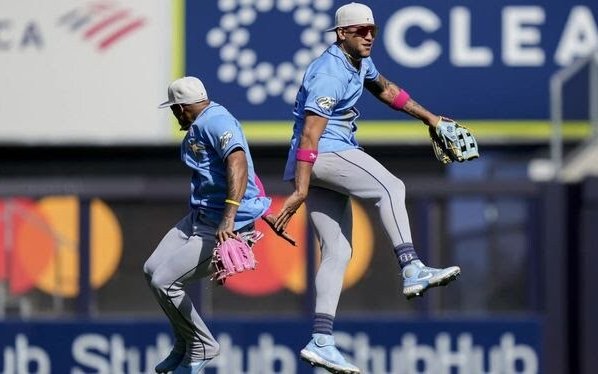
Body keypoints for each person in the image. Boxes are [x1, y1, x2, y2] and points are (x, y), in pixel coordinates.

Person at [273, 3, 461, 373]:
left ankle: (322, 340)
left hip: (316, 161)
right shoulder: (329, 72)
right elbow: (311, 134)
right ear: (342, 33)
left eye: (372, 29)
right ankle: (411, 267)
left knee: (338, 252)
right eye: (360, 30)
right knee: (391, 187)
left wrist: (430, 118)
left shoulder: (357, 62)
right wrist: (299, 190)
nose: (369, 36)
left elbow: (386, 90)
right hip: (323, 154)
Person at [143, 76, 292, 374]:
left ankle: (202, 345)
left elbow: (238, 161)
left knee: (165, 282)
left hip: (225, 225)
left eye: (175, 109)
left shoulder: (216, 121)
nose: (174, 115)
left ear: (183, 107)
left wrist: (231, 216)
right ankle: (185, 342)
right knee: (151, 270)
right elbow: (249, 174)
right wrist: (263, 206)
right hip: (202, 216)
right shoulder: (203, 124)